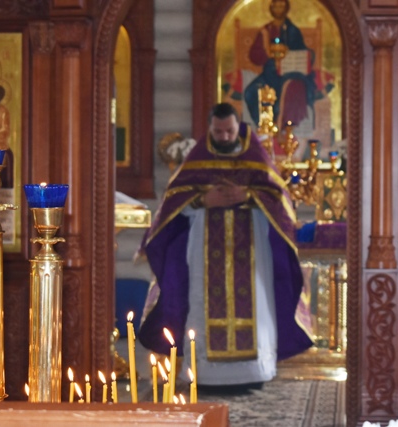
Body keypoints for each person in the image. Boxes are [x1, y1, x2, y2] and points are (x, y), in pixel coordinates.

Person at [138, 102, 313, 389]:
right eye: (218, 132)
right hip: (204, 251)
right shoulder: (197, 159)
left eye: (229, 131)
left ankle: (253, 373)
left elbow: (279, 199)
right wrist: (202, 200)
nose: (224, 137)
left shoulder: (256, 157)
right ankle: (206, 375)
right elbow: (173, 201)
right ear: (210, 129)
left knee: (256, 306)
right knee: (202, 304)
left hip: (252, 252)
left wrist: (249, 195)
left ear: (238, 126)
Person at [243, 0, 318, 129]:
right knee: (251, 92)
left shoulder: (293, 30)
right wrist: (266, 48)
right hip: (269, 74)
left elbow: (301, 53)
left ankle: (283, 129)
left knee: (287, 92)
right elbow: (254, 56)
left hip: (289, 74)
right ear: (271, 8)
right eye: (276, 6)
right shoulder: (265, 31)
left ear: (286, 8)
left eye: (281, 6)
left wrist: (304, 54)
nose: (278, 9)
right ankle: (264, 128)